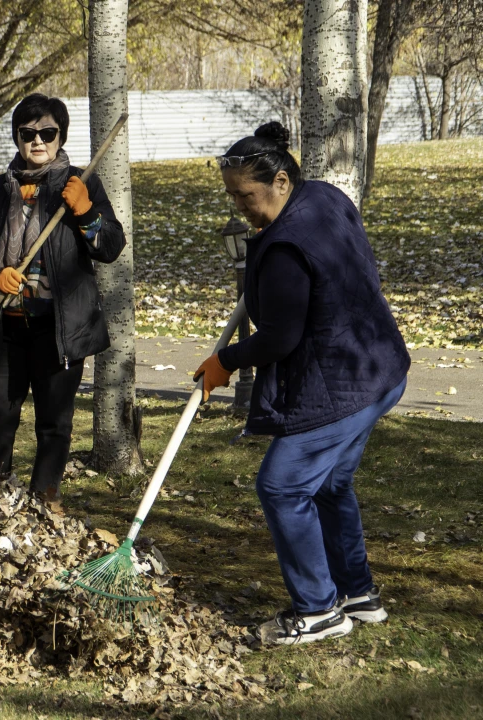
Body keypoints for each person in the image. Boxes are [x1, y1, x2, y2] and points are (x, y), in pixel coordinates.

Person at [194, 121, 410, 646]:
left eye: (245, 195)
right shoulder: (323, 199)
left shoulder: (287, 245)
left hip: (343, 381)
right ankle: (357, 596)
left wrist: (226, 360)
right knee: (331, 484)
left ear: (282, 182)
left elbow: (279, 339)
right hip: (380, 366)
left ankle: (317, 610)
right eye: (232, 196)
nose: (238, 207)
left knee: (283, 485)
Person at [0, 93, 125, 511]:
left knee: (54, 424)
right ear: (16, 137)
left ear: (60, 135)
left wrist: (86, 213)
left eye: (47, 133)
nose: (37, 141)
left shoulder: (80, 184)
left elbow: (110, 247)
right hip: (3, 328)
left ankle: (43, 501)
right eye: (28, 133)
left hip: (59, 330)